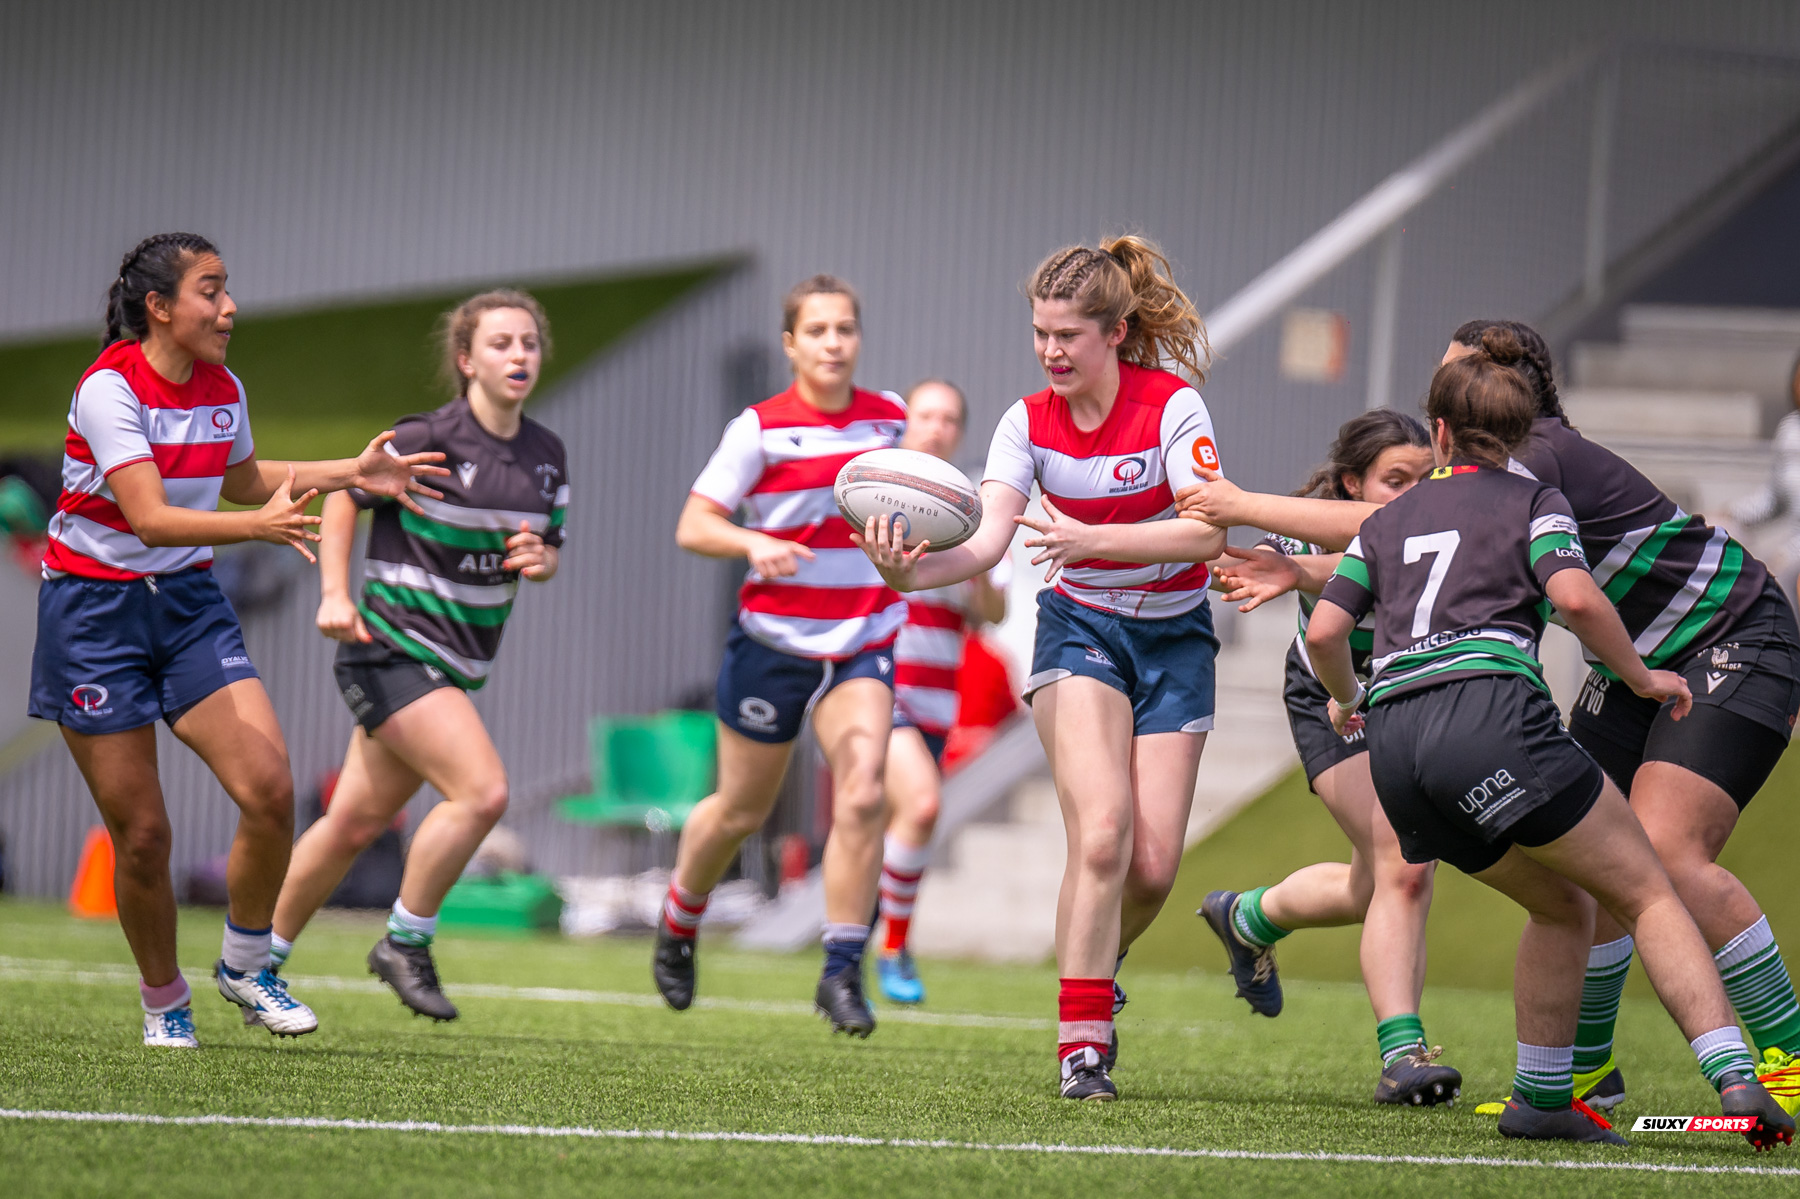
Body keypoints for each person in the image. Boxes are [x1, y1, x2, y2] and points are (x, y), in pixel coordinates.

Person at [1304, 327, 1792, 1149]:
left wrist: (1342, 692)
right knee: (1636, 882)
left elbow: (1335, 617)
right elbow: (1576, 597)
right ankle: (1727, 1080)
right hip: (1528, 701)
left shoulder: (1438, 502)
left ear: (1443, 432)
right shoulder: (1529, 495)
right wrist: (1638, 677)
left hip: (1405, 744)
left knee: (1592, 883)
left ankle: (1602, 1084)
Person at [30, 232, 446, 1047]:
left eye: (227, 289)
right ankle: (164, 999)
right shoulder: (108, 389)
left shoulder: (222, 386)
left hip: (186, 604)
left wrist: (353, 473)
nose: (229, 307)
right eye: (210, 290)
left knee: (269, 788)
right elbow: (149, 518)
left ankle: (248, 965)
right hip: (92, 615)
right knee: (144, 839)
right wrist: (252, 529)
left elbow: (246, 479)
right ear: (159, 307)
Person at [858, 236, 1226, 1101]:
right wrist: (903, 569)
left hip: (1176, 639)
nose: (1052, 351)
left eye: (1070, 334)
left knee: (1153, 867)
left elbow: (1206, 533)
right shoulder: (1025, 423)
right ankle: (1083, 1045)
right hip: (1082, 628)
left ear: (1117, 331)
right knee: (1102, 833)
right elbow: (987, 543)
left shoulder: (1173, 409)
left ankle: (1097, 963)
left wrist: (1094, 538)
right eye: (1040, 333)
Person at [1443, 320, 1800, 1117]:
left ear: (1502, 385)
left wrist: (1255, 517)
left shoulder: (1532, 453)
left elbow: (1390, 533)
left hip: (1733, 632)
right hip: (1630, 664)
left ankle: (1790, 1057)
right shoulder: (1508, 463)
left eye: (1450, 373)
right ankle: (1587, 1077)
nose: (1435, 394)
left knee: (1668, 852)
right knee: (1593, 857)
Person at [267, 291, 567, 1020]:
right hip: (392, 647)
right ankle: (405, 940)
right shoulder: (427, 435)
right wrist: (334, 592)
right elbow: (344, 497)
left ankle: (252, 959)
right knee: (482, 791)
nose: (519, 355)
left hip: (455, 664)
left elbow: (549, 546)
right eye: (500, 343)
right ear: (466, 359)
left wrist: (540, 556)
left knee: (350, 823)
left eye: (528, 342)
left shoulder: (548, 456)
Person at [655, 275, 906, 1037]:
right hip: (773, 644)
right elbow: (694, 525)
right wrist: (753, 541)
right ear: (791, 343)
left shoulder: (889, 421)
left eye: (847, 329)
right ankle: (679, 916)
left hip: (862, 640)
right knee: (741, 811)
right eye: (819, 330)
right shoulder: (759, 428)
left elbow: (914, 507)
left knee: (862, 792)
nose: (835, 343)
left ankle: (840, 968)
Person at [1197, 411, 1460, 1106]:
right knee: (1406, 863)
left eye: (1424, 480)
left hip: (1410, 689)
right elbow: (1340, 586)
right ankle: (1403, 1053)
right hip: (1332, 690)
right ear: (1351, 482)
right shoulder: (1316, 525)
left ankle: (1249, 916)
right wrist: (1294, 574)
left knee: (1369, 887)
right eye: (1392, 481)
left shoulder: (1438, 522)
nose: (1410, 496)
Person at [874, 378, 1009, 1005]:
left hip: (935, 700)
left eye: (950, 418)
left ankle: (850, 947)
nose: (937, 426)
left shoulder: (970, 511)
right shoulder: (869, 491)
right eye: (926, 414)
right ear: (906, 421)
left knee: (886, 822)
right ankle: (892, 946)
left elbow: (993, 613)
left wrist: (975, 569)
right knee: (922, 807)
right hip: (873, 685)